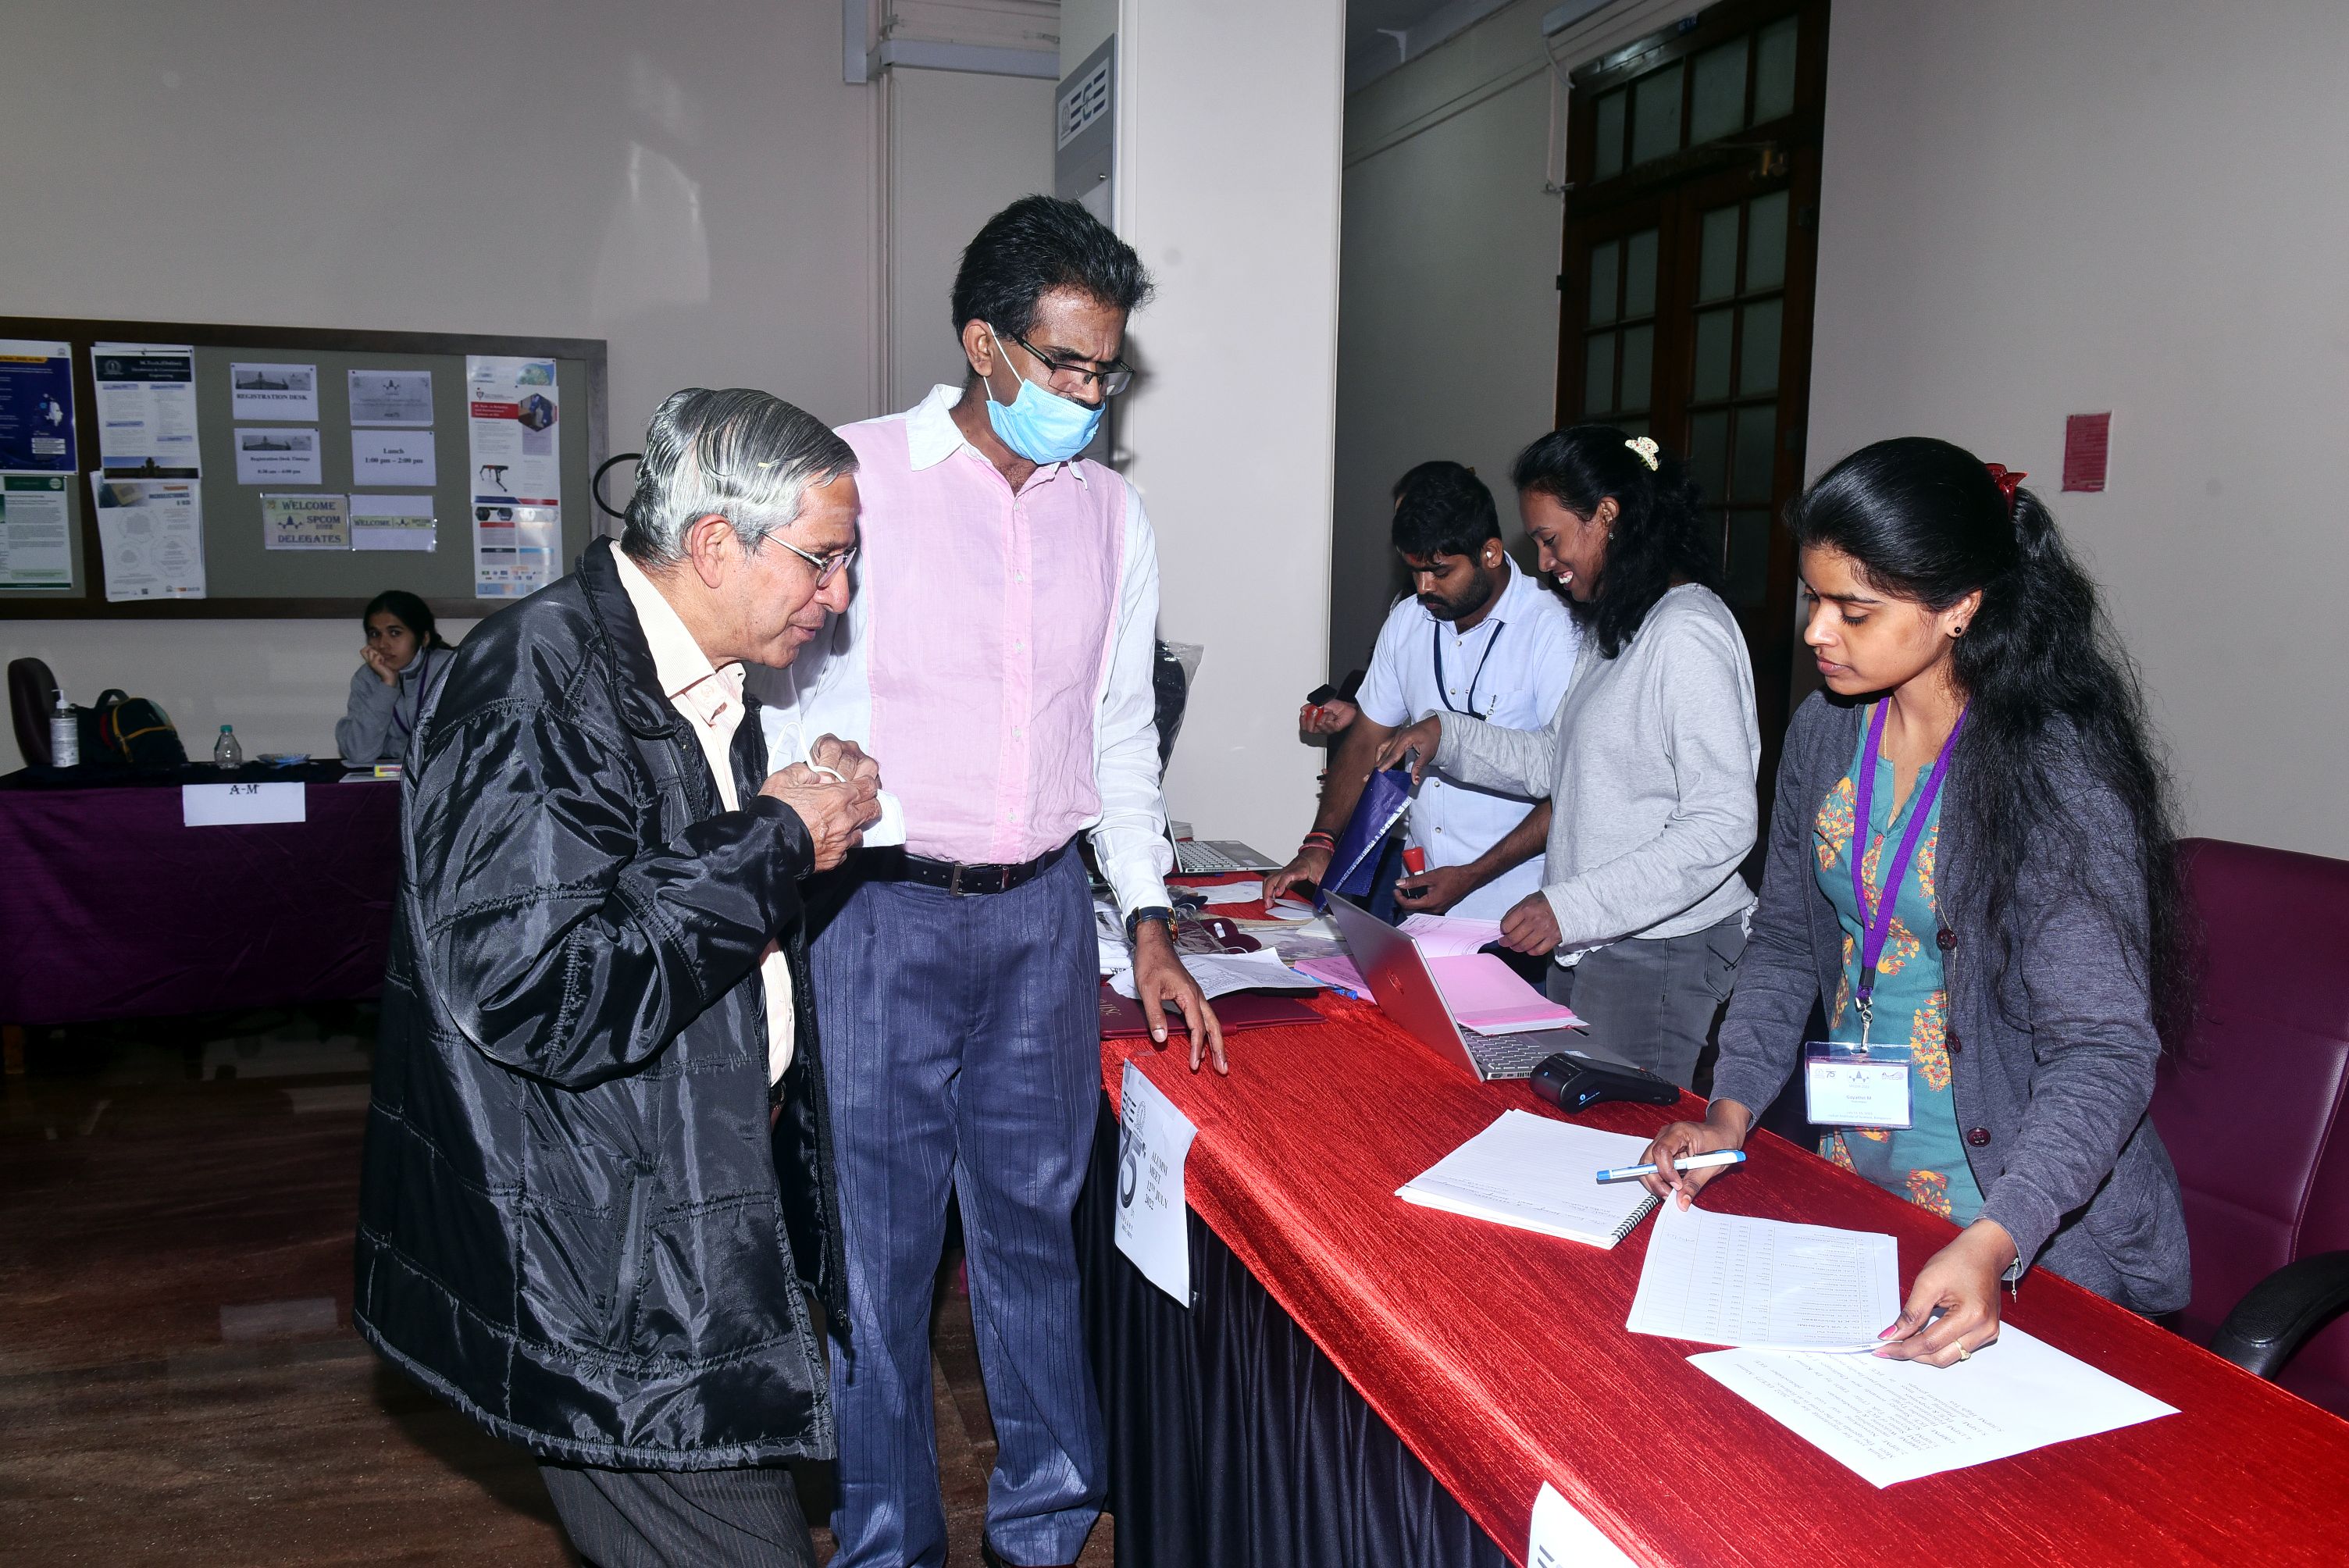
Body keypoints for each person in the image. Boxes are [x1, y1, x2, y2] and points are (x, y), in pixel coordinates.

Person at [748, 194, 1217, 1568]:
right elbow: (774, 699)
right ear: (983, 344)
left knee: (1031, 1238)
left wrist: (1146, 916)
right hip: (876, 916)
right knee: (878, 1260)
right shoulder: (852, 479)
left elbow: (1120, 733)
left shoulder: (1112, 515)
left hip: (1040, 924)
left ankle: (1046, 1520)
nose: (1088, 396)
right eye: (1065, 364)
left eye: (1106, 372)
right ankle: (885, 1537)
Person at [354, 389, 880, 1568]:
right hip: (600, 1256)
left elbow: (654, 883)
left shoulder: (680, 664)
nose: (839, 595)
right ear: (714, 544)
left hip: (666, 1214)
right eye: (822, 560)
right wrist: (773, 841)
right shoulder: (531, 680)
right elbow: (541, 988)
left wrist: (787, 817)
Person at [1637, 437, 2191, 1363]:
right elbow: (1785, 942)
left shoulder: (2051, 772)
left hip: (2017, 1224)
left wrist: (1994, 1240)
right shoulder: (1825, 730)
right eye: (1814, 599)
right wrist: (1727, 1111)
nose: (1817, 632)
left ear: (1959, 606)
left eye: (1854, 610)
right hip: (1859, 1170)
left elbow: (2102, 1051)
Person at [1376, 427, 1759, 1086]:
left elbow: (1723, 823)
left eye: (1551, 540)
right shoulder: (1619, 625)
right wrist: (1449, 736)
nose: (1545, 561)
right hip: (1596, 936)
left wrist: (1570, 908)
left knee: (1621, 1130)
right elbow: (1560, 760)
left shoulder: (1686, 633)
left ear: (1607, 515)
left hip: (1657, 944)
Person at [1263, 461, 1580, 921]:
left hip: (1520, 911)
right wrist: (1321, 842)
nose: (1424, 587)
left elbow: (1570, 786)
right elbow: (1366, 738)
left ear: (1490, 553)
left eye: (1439, 571)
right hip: (1423, 901)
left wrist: (1472, 875)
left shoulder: (1552, 631)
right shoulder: (1409, 620)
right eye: (1414, 572)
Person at [334, 589, 453, 764]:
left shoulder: (450, 669)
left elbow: (453, 748)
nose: (383, 644)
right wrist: (387, 684)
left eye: (395, 633)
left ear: (424, 638)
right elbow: (358, 752)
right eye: (375, 634)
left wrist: (389, 747)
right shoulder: (367, 678)